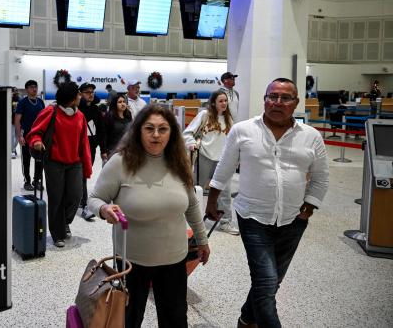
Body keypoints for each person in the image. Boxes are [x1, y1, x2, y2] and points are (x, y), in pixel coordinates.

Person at [205, 78, 329, 328]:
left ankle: (246, 320)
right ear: (264, 99)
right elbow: (224, 168)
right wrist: (213, 201)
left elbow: (321, 177)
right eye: (272, 96)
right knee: (266, 281)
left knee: (272, 281)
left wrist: (309, 207)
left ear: (295, 103)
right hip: (252, 217)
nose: (277, 102)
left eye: (285, 98)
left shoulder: (311, 136)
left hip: (293, 220)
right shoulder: (243, 130)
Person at [88, 105, 210, 328]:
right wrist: (104, 209)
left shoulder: (179, 161)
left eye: (163, 129)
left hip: (174, 258)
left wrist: (202, 240)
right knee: (128, 319)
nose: (156, 135)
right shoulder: (121, 162)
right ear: (138, 131)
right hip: (131, 261)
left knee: (174, 318)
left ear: (171, 132)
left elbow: (192, 204)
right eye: (149, 128)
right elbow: (95, 198)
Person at [27, 82, 92, 248]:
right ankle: (57, 234)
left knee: (75, 196)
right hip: (54, 163)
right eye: (78, 94)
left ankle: (64, 222)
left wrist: (87, 166)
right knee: (56, 199)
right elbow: (34, 132)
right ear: (71, 99)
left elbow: (84, 142)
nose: (80, 97)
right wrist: (36, 142)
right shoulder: (51, 111)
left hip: (75, 163)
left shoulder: (80, 116)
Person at [183, 90, 239, 235]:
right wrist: (191, 143)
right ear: (213, 102)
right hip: (204, 156)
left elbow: (233, 140)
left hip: (222, 160)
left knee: (224, 191)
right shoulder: (204, 115)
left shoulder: (229, 119)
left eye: (225, 101)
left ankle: (225, 222)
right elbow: (187, 133)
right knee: (197, 189)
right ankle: (192, 220)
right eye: (220, 101)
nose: (224, 103)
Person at [78, 82, 107, 221]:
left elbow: (101, 131)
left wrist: (103, 150)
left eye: (92, 92)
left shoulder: (96, 110)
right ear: (80, 93)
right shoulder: (76, 109)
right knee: (81, 175)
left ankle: (80, 200)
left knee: (84, 175)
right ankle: (84, 205)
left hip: (92, 148)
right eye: (87, 92)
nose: (90, 94)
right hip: (77, 149)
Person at [15, 80, 46, 191]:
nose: (34, 89)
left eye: (36, 87)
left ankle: (36, 180)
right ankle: (27, 181)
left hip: (38, 136)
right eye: (32, 87)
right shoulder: (22, 102)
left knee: (39, 159)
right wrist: (19, 136)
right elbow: (17, 120)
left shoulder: (41, 102)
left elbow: (45, 119)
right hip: (26, 135)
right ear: (27, 89)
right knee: (26, 160)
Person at [104, 93, 132, 157]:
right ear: (114, 104)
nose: (123, 104)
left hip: (126, 150)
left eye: (124, 102)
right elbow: (104, 135)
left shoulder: (128, 115)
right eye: (119, 102)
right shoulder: (109, 116)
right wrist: (104, 151)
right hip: (112, 151)